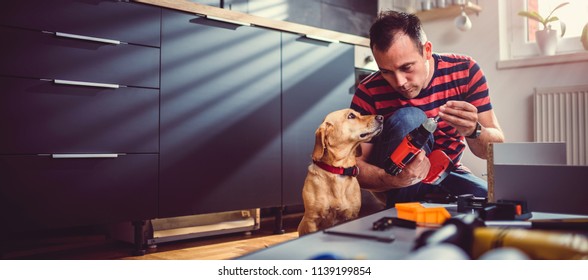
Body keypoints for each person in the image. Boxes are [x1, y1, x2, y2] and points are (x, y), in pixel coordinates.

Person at [351, 10, 505, 208]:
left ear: (427, 50)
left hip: (446, 173)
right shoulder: (369, 91)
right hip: (393, 179)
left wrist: (474, 130)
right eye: (386, 72)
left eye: (406, 67)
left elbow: (494, 150)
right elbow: (354, 166)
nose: (399, 82)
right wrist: (392, 180)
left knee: (495, 204)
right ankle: (401, 216)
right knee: (411, 118)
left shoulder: (465, 71)